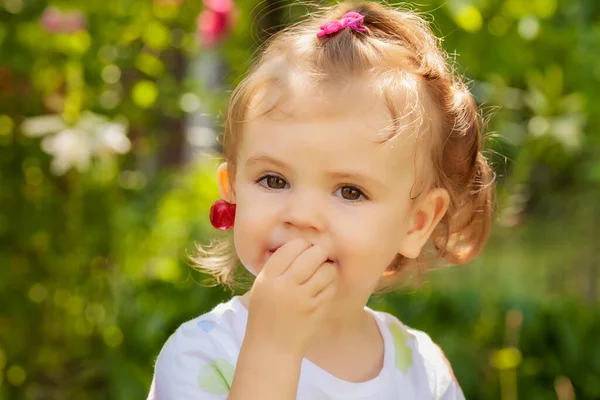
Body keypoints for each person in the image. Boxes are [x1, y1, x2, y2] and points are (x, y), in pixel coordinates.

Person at [147, 1, 494, 399]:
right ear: (233, 190)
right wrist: (273, 348)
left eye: (350, 191)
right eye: (273, 180)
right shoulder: (201, 356)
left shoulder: (422, 372)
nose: (302, 216)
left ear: (416, 223)